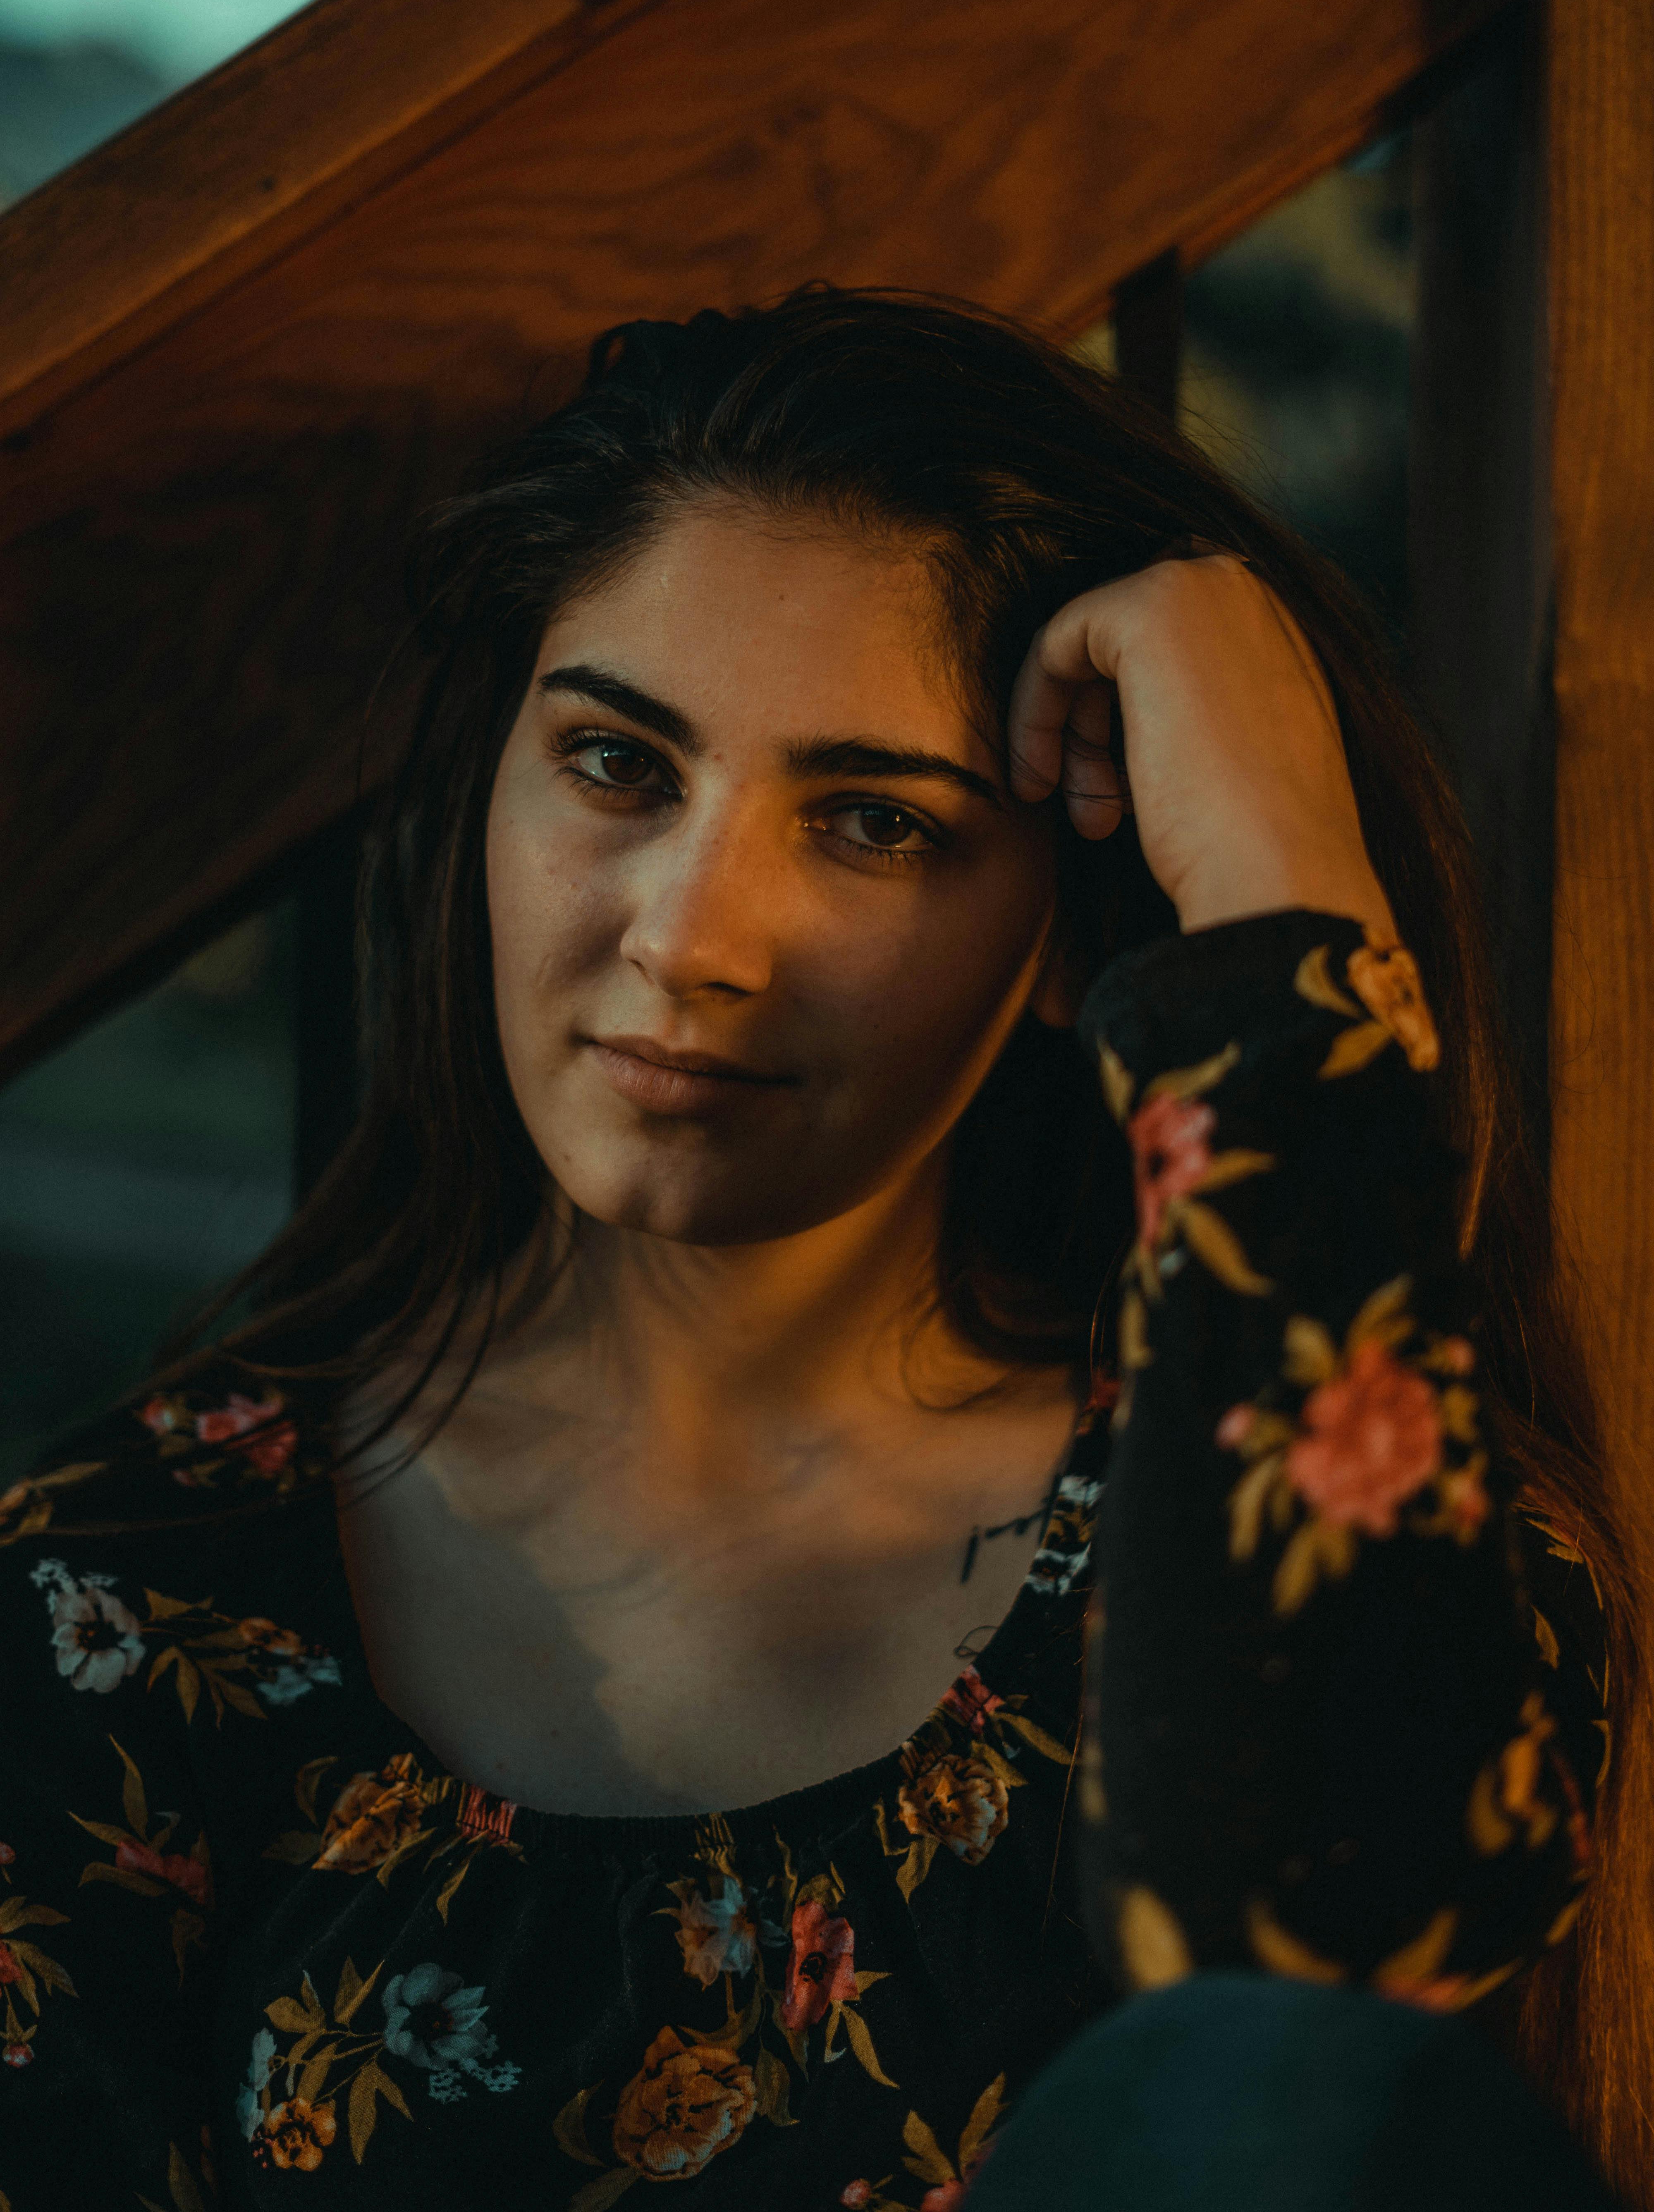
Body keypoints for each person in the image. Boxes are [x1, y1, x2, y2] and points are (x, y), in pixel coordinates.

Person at [0, 289, 1627, 2209]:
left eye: (869, 822)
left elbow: (1338, 2005)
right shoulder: (118, 1602)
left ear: (1068, 936)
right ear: (486, 803)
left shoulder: (1345, 1555)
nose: (690, 934)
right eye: (618, 766)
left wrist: (1277, 905)